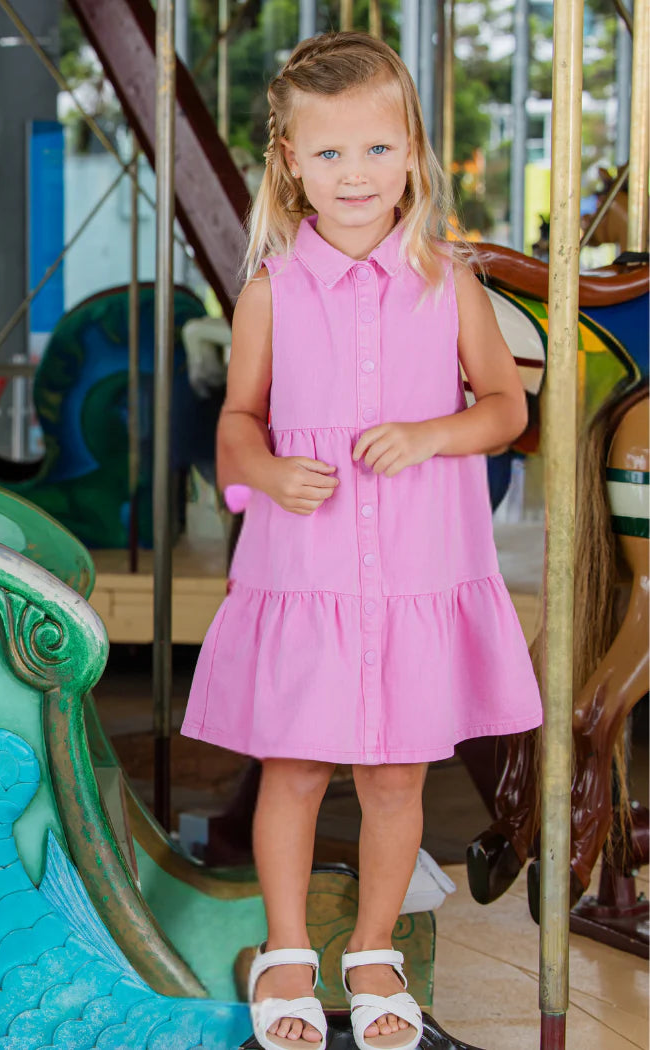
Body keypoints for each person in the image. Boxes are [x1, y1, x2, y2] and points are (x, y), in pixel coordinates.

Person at [181, 30, 542, 1050]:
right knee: (293, 767)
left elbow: (507, 408)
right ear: (291, 161)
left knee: (395, 778)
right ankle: (288, 947)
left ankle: (374, 948)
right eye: (329, 153)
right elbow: (235, 427)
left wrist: (432, 433)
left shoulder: (449, 281)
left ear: (414, 154)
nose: (355, 175)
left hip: (419, 573)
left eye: (377, 151)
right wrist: (264, 470)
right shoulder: (270, 291)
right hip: (308, 573)